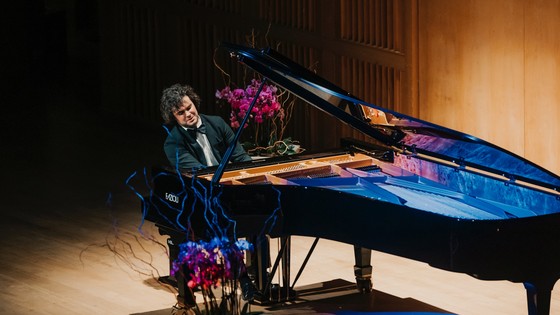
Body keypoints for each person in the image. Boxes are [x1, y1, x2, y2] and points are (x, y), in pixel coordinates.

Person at [160, 83, 252, 169]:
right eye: (180, 113)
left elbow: (240, 156)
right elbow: (198, 172)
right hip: (200, 184)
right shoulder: (172, 143)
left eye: (189, 108)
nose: (188, 114)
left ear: (194, 103)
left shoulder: (217, 123)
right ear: (173, 117)